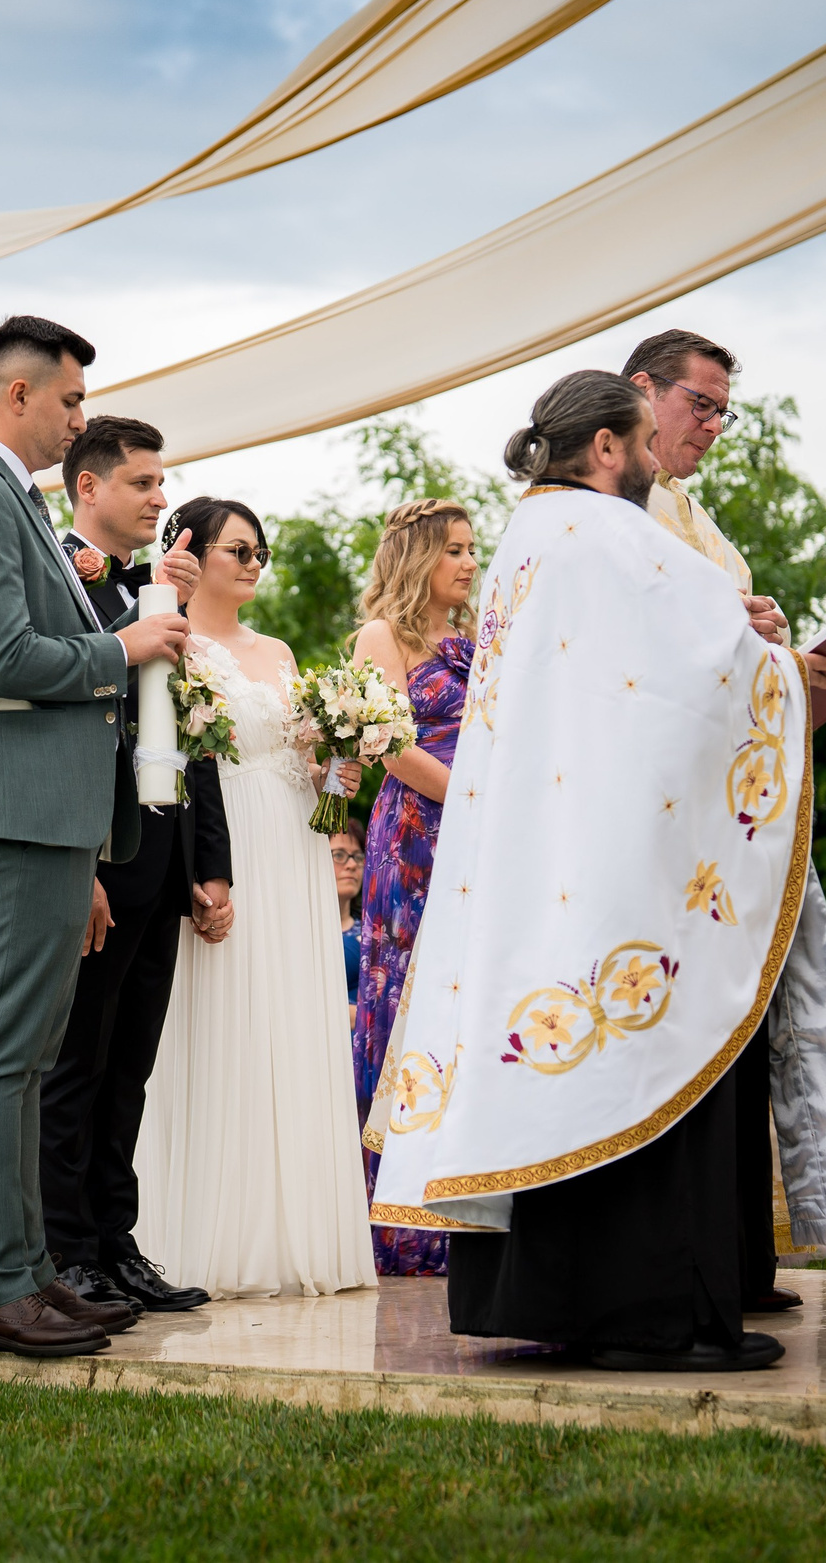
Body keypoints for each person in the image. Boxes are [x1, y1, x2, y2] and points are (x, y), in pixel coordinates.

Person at [373, 372, 826, 1372]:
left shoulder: (525, 538)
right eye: (639, 442)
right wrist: (782, 670)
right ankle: (656, 1312)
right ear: (604, 448)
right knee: (646, 1042)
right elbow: (698, 674)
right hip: (617, 858)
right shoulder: (610, 535)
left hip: (545, 848)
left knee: (560, 1049)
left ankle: (567, 1303)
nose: (645, 463)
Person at [0, 315, 198, 1357]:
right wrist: (123, 645)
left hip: (46, 812)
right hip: (10, 808)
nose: (80, 420)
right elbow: (3, 659)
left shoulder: (11, 500)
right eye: (72, 402)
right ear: (18, 394)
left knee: (29, 1057)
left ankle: (31, 1272)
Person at [621, 327, 826, 1305]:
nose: (711, 426)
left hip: (732, 815)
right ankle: (700, 1261)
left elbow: (717, 641)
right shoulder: (614, 512)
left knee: (749, 1037)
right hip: (666, 827)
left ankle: (741, 1253)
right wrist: (765, 657)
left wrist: (771, 641)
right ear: (640, 393)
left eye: (722, 411)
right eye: (699, 403)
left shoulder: (692, 514)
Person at [131, 495, 375, 1299]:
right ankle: (213, 1237)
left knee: (292, 1025)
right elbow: (173, 760)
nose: (254, 563)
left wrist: (342, 772)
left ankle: (299, 1232)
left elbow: (311, 777)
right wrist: (202, 874)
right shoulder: (172, 640)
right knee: (227, 1023)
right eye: (239, 550)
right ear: (192, 553)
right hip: (222, 842)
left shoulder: (279, 650)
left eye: (259, 551)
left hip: (298, 848)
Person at [41, 414, 233, 1317]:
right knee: (77, 1063)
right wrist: (76, 863)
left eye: (163, 484)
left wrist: (210, 862)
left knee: (131, 1067)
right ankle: (63, 1251)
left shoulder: (156, 594)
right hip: (98, 857)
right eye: (145, 484)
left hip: (163, 863)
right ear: (88, 487)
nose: (163, 499)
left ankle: (117, 1244)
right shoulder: (54, 569)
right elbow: (59, 716)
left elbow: (196, 733)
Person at [345, 498, 480, 1278]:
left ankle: (465, 1202)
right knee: (404, 1000)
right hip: (417, 833)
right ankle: (401, 1224)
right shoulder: (380, 637)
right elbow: (389, 745)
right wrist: (470, 795)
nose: (467, 561)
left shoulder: (472, 642)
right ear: (415, 557)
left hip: (479, 832)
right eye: (452, 549)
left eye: (471, 548)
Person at [331, 821, 364, 996]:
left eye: (358, 857)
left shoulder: (372, 932)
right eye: (339, 855)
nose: (351, 865)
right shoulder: (297, 931)